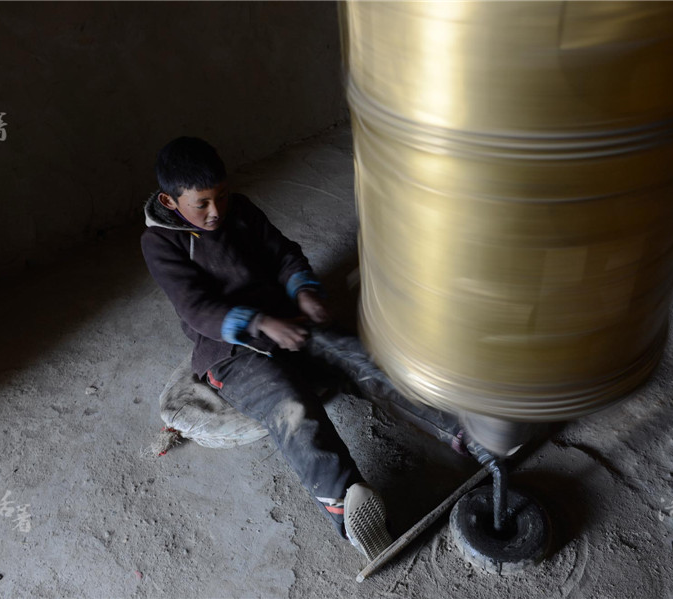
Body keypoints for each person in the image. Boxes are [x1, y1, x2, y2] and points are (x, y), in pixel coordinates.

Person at [141, 136, 464, 561]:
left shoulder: (241, 211)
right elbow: (198, 309)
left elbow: (284, 255)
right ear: (169, 200)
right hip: (230, 350)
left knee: (358, 357)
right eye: (202, 203)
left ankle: (461, 429)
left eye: (221, 196)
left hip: (286, 318)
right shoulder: (161, 243)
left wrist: (304, 289)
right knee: (292, 406)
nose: (216, 211)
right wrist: (261, 323)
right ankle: (346, 503)